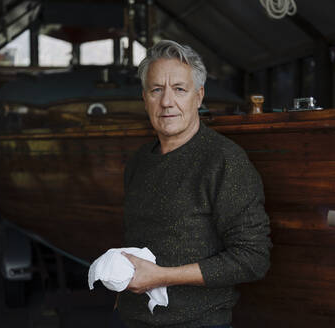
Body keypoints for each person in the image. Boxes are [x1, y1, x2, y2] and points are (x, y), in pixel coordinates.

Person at [116, 40, 271, 328]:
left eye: (179, 89)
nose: (166, 102)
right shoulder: (139, 161)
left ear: (198, 96)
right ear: (144, 97)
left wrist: (163, 276)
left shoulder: (225, 161)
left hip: (198, 322)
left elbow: (253, 258)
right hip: (133, 318)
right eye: (156, 90)